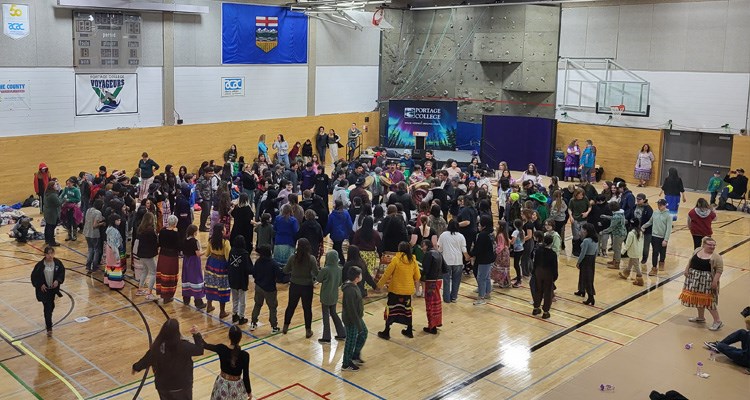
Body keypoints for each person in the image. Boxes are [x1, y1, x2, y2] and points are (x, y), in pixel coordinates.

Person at [132, 319, 204, 400]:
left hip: (164, 387)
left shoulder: (157, 347)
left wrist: (136, 367)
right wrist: (196, 334)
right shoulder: (183, 346)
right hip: (182, 385)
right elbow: (199, 350)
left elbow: (146, 360)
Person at [376, 242, 421, 340]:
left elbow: (387, 274)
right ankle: (409, 330)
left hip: (395, 290)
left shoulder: (396, 259)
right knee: (407, 311)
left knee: (391, 310)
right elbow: (417, 276)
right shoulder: (413, 260)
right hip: (408, 291)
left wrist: (379, 285)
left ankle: (386, 331)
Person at [193, 325, 251, 400]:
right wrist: (249, 392)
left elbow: (205, 345)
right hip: (237, 388)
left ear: (229, 336)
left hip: (222, 385)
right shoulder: (245, 355)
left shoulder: (221, 348)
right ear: (240, 338)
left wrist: (196, 334)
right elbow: (246, 376)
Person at [679, 237, 724, 331]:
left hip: (707, 281)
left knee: (709, 302)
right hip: (694, 279)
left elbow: (719, 271)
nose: (712, 247)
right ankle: (701, 317)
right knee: (697, 299)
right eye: (710, 245)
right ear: (703, 245)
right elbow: (690, 261)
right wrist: (686, 269)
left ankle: (717, 321)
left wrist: (715, 281)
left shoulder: (716, 257)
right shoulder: (697, 250)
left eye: (714, 245)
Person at [282, 238, 319, 337]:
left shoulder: (292, 257)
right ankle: (308, 330)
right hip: (307, 286)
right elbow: (316, 273)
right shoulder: (311, 259)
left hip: (294, 285)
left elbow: (285, 270)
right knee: (307, 308)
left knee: (291, 306)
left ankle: (285, 326)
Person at [30, 246, 65, 337]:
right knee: (47, 308)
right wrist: (40, 284)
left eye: (51, 253)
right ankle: (49, 327)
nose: (50, 255)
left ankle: (48, 319)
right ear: (45, 254)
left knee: (51, 306)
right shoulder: (40, 265)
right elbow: (34, 277)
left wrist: (58, 280)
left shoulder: (57, 263)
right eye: (48, 254)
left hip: (52, 290)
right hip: (44, 291)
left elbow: (61, 273)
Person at [249, 245, 283, 333]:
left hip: (259, 287)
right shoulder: (273, 264)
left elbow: (254, 274)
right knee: (272, 307)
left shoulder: (258, 262)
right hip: (270, 289)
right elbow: (280, 276)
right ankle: (274, 326)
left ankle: (253, 323)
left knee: (257, 304)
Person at [341, 266, 368, 371]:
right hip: (352, 319)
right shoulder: (350, 291)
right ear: (357, 277)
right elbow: (351, 309)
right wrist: (357, 323)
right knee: (350, 340)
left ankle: (355, 355)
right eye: (360, 274)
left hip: (357, 318)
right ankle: (346, 363)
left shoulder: (354, 285)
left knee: (364, 333)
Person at [317, 250, 346, 344]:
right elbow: (340, 283)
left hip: (325, 295)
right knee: (334, 313)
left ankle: (326, 336)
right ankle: (342, 333)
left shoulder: (326, 269)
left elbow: (318, 279)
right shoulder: (339, 269)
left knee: (325, 316)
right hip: (334, 295)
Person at [437, 220, 468, 303]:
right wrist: (468, 257)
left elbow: (439, 248)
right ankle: (454, 297)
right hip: (458, 261)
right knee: (456, 280)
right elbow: (464, 249)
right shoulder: (461, 236)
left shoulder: (443, 235)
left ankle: (446, 298)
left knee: (446, 280)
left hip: (446, 261)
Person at [205, 223, 231, 318]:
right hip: (221, 265)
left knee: (210, 284)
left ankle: (209, 305)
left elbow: (207, 254)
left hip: (211, 263)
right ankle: (222, 311)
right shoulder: (225, 242)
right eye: (224, 229)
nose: (225, 230)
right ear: (221, 231)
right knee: (222, 287)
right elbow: (228, 257)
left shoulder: (211, 240)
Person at [420, 239, 446, 334]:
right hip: (439, 280)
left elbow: (425, 269)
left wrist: (420, 277)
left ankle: (432, 326)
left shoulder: (428, 254)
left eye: (422, 246)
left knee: (430, 303)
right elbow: (445, 268)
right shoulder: (438, 253)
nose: (422, 248)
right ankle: (437, 322)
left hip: (431, 281)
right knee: (437, 302)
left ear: (426, 245)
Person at [642, 199, 673, 276]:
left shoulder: (668, 215)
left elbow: (669, 228)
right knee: (655, 252)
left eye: (661, 205)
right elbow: (650, 221)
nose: (659, 206)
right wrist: (643, 226)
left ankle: (662, 262)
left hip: (662, 237)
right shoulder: (655, 212)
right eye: (658, 205)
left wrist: (666, 240)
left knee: (662, 252)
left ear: (665, 205)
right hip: (654, 236)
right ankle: (654, 267)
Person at [471, 215, 496, 305]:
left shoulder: (483, 235)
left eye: (480, 224)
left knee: (481, 278)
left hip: (484, 259)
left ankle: (481, 297)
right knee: (486, 277)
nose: (478, 226)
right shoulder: (491, 233)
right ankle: (487, 293)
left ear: (484, 225)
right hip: (491, 258)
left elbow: (478, 248)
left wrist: (471, 254)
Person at [531, 235, 558, 319]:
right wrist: (555, 276)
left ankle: (536, 308)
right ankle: (545, 312)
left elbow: (535, 262)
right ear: (551, 242)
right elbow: (554, 267)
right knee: (547, 292)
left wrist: (534, 272)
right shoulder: (553, 254)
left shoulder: (539, 250)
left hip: (538, 271)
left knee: (538, 290)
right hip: (548, 273)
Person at [228, 235, 253, 325]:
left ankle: (234, 315)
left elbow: (229, 263)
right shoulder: (245, 254)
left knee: (235, 298)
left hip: (232, 277)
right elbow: (249, 269)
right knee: (242, 299)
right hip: (242, 279)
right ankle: (241, 317)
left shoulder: (232, 251)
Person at [156, 215, 181, 303]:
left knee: (162, 274)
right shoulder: (176, 234)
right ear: (175, 224)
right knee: (170, 276)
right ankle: (168, 296)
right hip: (172, 257)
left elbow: (159, 243)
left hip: (162, 255)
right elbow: (179, 246)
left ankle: (162, 293)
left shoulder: (162, 231)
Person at [136, 212, 159, 299]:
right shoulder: (150, 231)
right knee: (153, 272)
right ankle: (149, 293)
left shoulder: (141, 229)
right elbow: (155, 243)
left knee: (145, 271)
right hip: (148, 255)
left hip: (141, 254)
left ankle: (140, 289)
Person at [181, 225, 206, 308]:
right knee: (196, 280)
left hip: (186, 260)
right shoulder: (195, 241)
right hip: (194, 262)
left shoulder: (185, 240)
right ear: (194, 232)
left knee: (187, 279)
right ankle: (198, 301)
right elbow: (198, 254)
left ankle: (186, 299)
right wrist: (206, 251)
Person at [575, 223, 598, 306]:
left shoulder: (586, 241)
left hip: (586, 260)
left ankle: (590, 297)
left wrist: (578, 262)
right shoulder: (595, 239)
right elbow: (596, 252)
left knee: (586, 278)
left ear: (586, 231)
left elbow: (583, 253)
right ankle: (581, 290)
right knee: (586, 276)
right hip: (591, 260)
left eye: (583, 229)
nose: (582, 230)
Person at [326, 200, 353, 265]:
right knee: (336, 247)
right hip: (343, 234)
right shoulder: (346, 213)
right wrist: (350, 233)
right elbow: (349, 224)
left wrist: (325, 233)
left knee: (337, 248)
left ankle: (341, 261)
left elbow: (329, 225)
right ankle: (334, 260)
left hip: (335, 234)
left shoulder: (332, 215)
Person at [104, 214, 125, 290]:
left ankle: (108, 280)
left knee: (109, 264)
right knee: (115, 265)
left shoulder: (110, 228)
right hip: (113, 250)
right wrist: (117, 256)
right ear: (114, 221)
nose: (119, 221)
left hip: (109, 249)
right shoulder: (113, 231)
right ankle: (115, 284)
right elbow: (114, 245)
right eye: (118, 220)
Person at [602, 202, 626, 270]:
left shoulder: (616, 216)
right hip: (621, 233)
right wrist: (606, 216)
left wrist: (603, 232)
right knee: (615, 248)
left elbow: (611, 227)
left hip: (619, 234)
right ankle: (614, 260)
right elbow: (613, 218)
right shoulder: (620, 213)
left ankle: (617, 264)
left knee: (617, 249)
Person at [620, 220, 645, 285]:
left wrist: (622, 251)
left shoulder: (631, 233)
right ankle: (626, 273)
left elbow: (627, 244)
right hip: (638, 251)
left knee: (636, 266)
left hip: (633, 251)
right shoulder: (641, 232)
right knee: (631, 262)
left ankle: (640, 279)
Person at [492, 221, 512, 288]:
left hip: (502, 253)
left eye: (498, 224)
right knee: (504, 267)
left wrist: (496, 251)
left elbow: (500, 246)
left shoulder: (500, 235)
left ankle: (503, 282)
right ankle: (504, 281)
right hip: (505, 252)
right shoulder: (504, 233)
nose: (496, 225)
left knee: (501, 267)